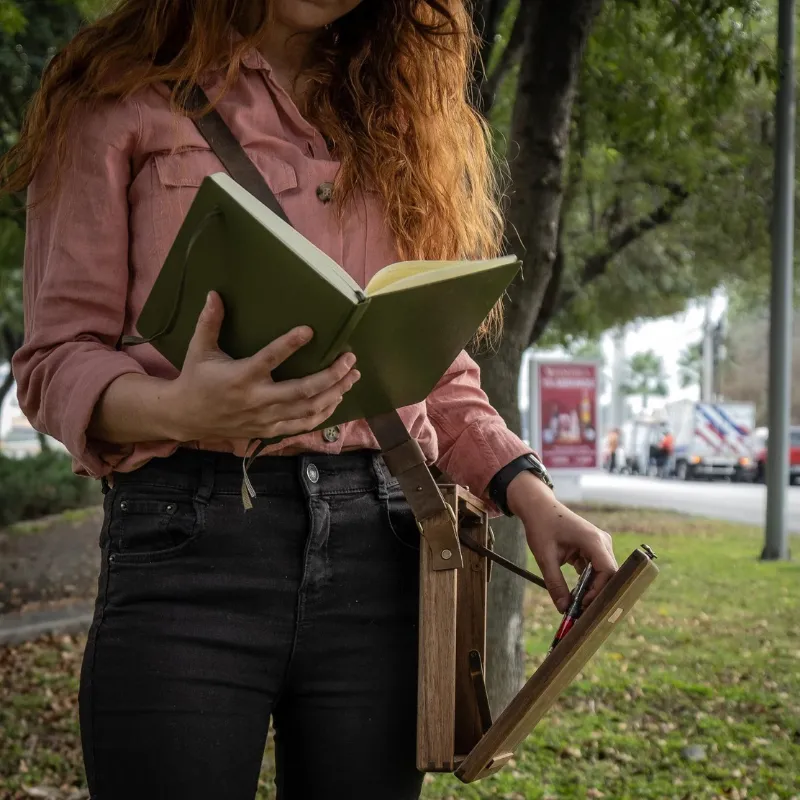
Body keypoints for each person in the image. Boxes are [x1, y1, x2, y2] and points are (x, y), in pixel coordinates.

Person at [2, 2, 618, 798]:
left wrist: (527, 488)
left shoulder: (393, 112)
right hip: (190, 542)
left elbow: (426, 369)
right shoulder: (114, 94)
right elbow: (54, 362)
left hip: (384, 549)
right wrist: (182, 410)